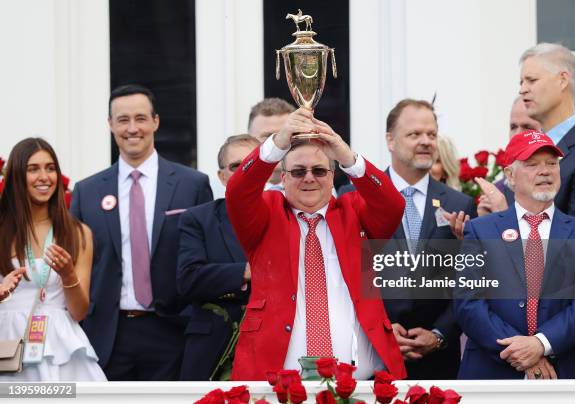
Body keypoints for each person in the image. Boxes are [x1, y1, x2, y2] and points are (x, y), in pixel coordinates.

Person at [226, 107, 407, 380]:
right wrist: (277, 144)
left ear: (333, 176)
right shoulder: (268, 213)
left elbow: (392, 205)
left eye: (320, 170)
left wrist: (347, 156)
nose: (309, 177)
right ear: (283, 178)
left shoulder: (353, 213)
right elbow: (238, 193)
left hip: (361, 385)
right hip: (276, 383)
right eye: (298, 172)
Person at [70, 84, 213, 380]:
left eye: (140, 118)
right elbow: (76, 266)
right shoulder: (86, 192)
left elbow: (206, 259)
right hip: (108, 334)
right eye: (122, 120)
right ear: (110, 124)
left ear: (155, 122)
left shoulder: (192, 185)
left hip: (174, 332)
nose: (132, 128)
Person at [454, 130, 575, 379]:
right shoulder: (480, 231)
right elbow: (468, 303)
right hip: (492, 373)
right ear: (510, 177)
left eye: (551, 163)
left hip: (565, 374)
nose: (545, 171)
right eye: (532, 164)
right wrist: (520, 353)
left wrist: (541, 344)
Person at [344, 99, 476, 379]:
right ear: (390, 140)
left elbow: (468, 282)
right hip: (372, 357)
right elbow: (348, 274)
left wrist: (440, 334)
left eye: (431, 134)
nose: (426, 141)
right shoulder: (355, 198)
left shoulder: (460, 203)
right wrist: (380, 327)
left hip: (437, 364)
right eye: (414, 134)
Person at [0, 138, 105, 381]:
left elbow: (79, 312)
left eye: (50, 168)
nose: (44, 177)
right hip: (8, 343)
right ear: (16, 176)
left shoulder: (78, 232)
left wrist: (68, 275)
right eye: (33, 169)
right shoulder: (3, 230)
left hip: (62, 346)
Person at [176, 134, 259, 380]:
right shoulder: (198, 219)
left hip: (272, 346)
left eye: (253, 164)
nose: (244, 172)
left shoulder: (287, 214)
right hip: (213, 349)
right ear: (222, 176)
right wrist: (246, 271)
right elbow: (188, 279)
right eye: (236, 166)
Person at [247, 98, 295, 189]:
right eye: (268, 137)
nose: (278, 142)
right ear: (249, 139)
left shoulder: (322, 192)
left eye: (285, 134)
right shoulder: (223, 192)